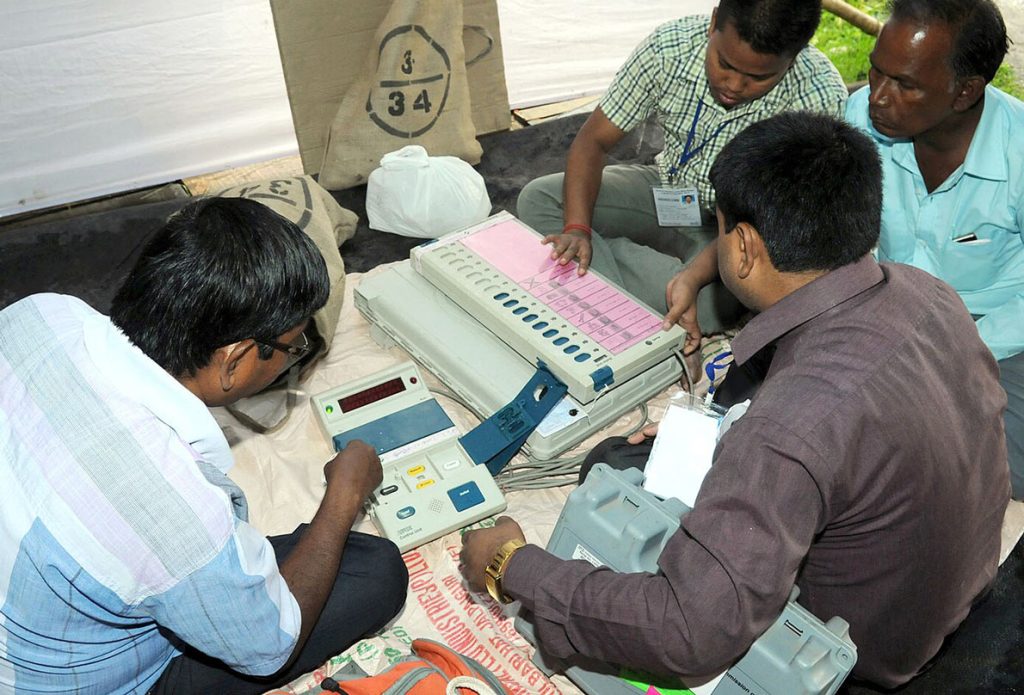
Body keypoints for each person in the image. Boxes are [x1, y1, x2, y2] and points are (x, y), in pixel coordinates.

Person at [460, 112, 1010, 688]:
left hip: (849, 657)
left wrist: (513, 567)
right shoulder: (927, 293)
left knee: (621, 527)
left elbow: (690, 633)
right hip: (941, 597)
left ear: (743, 247)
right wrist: (722, 430)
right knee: (618, 460)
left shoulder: (791, 428)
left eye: (719, 228)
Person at [0, 198, 408, 694]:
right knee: (377, 572)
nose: (293, 358)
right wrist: (344, 498)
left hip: (28, 610)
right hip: (57, 682)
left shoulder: (40, 311)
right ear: (233, 360)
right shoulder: (175, 510)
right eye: (293, 346)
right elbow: (268, 647)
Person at [516, 0, 847, 337]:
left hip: (735, 232)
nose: (733, 85)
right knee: (539, 199)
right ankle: (625, 278)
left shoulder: (817, 101)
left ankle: (601, 272)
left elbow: (767, 227)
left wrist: (693, 277)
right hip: (666, 187)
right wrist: (577, 229)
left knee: (706, 307)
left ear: (795, 57)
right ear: (714, 22)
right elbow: (593, 141)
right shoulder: (669, 48)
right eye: (724, 63)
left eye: (758, 77)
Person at [844, 0, 1024, 499]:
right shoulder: (862, 118)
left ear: (965, 91)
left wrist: (967, 349)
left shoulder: (1019, 154)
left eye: (904, 84)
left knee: (984, 470)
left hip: (1001, 342)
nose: (877, 97)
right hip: (889, 317)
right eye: (876, 73)